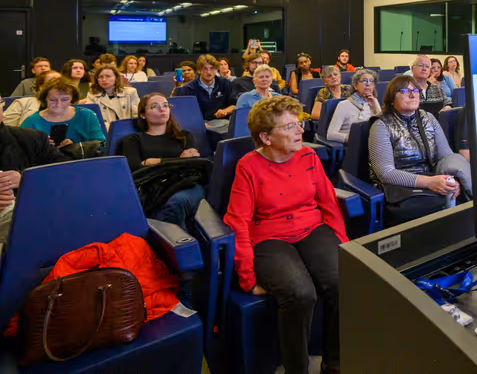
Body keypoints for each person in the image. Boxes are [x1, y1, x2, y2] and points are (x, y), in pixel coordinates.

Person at [223, 96, 347, 374]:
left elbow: (329, 204)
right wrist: (247, 278)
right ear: (266, 137)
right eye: (290, 126)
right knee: (300, 294)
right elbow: (237, 222)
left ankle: (335, 364)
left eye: (298, 124)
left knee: (343, 281)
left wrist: (343, 249)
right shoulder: (248, 166)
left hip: (312, 228)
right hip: (270, 236)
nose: (300, 131)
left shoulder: (309, 156)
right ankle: (296, 369)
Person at [368, 76, 470, 226]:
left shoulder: (428, 118)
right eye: (404, 90)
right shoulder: (381, 125)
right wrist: (428, 182)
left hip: (432, 177)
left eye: (415, 90)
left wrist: (452, 180)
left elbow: (446, 156)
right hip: (400, 187)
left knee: (456, 190)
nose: (412, 94)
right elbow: (386, 173)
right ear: (391, 99)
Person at [121, 93, 204, 227]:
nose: (162, 109)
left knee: (175, 202)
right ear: (143, 114)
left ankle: (177, 244)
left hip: (186, 184)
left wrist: (153, 162)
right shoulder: (133, 140)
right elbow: (135, 169)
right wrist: (178, 160)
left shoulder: (184, 136)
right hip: (152, 188)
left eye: (165, 105)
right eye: (154, 106)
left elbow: (192, 165)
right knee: (162, 205)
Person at [0, 98, 70, 242]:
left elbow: (66, 173)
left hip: (34, 220)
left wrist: (26, 180)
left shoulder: (32, 139)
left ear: (2, 106)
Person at [21, 77, 105, 153]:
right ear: (45, 99)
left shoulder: (87, 115)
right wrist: (41, 146)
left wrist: (75, 146)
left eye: (65, 99)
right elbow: (21, 150)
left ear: (72, 99)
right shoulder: (32, 121)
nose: (59, 104)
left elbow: (101, 145)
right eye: (53, 100)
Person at [173, 54, 236, 134]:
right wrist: (200, 124)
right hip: (197, 123)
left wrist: (225, 111)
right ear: (199, 71)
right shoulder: (188, 88)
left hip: (221, 122)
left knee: (232, 126)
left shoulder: (225, 83)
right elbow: (184, 114)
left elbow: (233, 105)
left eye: (212, 68)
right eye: (205, 69)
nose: (209, 72)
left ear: (217, 70)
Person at [325, 70, 380, 143]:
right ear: (355, 86)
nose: (368, 84)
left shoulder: (374, 103)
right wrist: (352, 137)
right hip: (353, 146)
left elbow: (383, 129)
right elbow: (330, 134)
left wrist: (376, 106)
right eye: (364, 81)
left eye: (371, 81)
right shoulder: (344, 105)